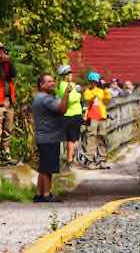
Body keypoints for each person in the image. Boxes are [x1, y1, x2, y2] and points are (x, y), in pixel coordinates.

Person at [32, 72, 73, 202]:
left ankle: (39, 194)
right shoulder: (46, 99)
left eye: (53, 81)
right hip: (49, 136)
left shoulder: (38, 97)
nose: (52, 83)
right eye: (49, 81)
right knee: (47, 168)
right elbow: (62, 109)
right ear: (41, 84)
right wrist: (66, 94)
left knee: (43, 167)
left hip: (43, 136)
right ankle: (47, 194)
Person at [83, 72, 112, 169]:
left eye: (95, 82)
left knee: (102, 137)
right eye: (92, 82)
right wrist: (95, 91)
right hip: (92, 117)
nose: (93, 84)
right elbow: (88, 98)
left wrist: (106, 89)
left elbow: (107, 99)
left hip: (101, 117)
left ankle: (102, 160)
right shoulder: (88, 91)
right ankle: (89, 160)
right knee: (91, 138)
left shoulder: (101, 90)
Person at [56, 65, 83, 165]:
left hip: (75, 113)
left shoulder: (71, 84)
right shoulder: (63, 85)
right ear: (64, 76)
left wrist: (77, 92)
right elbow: (71, 99)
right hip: (70, 114)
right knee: (71, 139)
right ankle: (69, 159)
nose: (71, 75)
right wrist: (78, 94)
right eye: (68, 73)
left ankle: (70, 158)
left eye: (70, 73)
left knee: (72, 138)